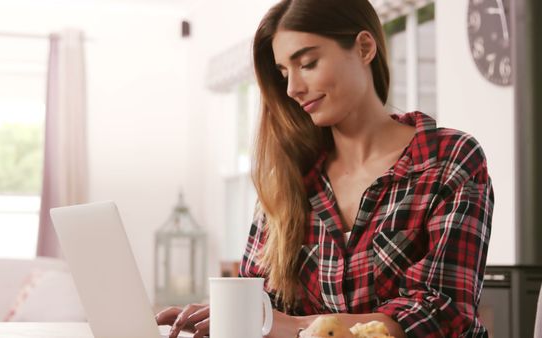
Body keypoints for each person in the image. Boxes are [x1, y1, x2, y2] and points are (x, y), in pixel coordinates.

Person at [156, 0, 494, 337]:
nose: (292, 89)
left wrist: (280, 324)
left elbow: (441, 313)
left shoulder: (448, 160)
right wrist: (225, 317)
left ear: (364, 47)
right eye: (284, 73)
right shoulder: (291, 177)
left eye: (308, 63)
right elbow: (255, 303)